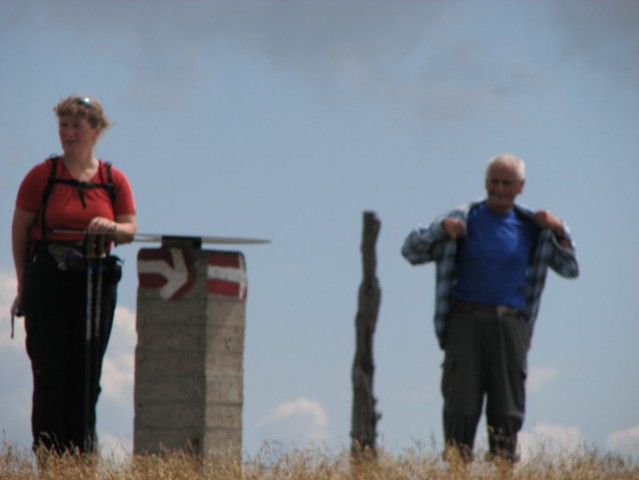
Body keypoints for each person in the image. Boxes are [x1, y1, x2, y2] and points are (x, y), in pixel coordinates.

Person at [401, 153, 578, 463]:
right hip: (465, 320)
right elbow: (410, 250)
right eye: (494, 181)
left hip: (511, 324)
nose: (499, 188)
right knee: (461, 405)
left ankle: (503, 468)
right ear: (485, 182)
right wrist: (441, 229)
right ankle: (457, 468)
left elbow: (570, 268)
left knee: (507, 408)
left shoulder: (533, 228)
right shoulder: (463, 217)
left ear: (520, 187)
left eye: (507, 183)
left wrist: (561, 229)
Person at [11, 95, 137, 455]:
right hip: (48, 277)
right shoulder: (42, 176)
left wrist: (110, 225)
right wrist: (24, 282)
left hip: (95, 281)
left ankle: (81, 460)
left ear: (95, 131)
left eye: (76, 126)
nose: (68, 133)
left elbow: (130, 229)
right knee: (50, 373)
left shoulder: (114, 180)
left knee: (86, 376)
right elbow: (20, 230)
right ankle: (50, 461)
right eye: (63, 126)